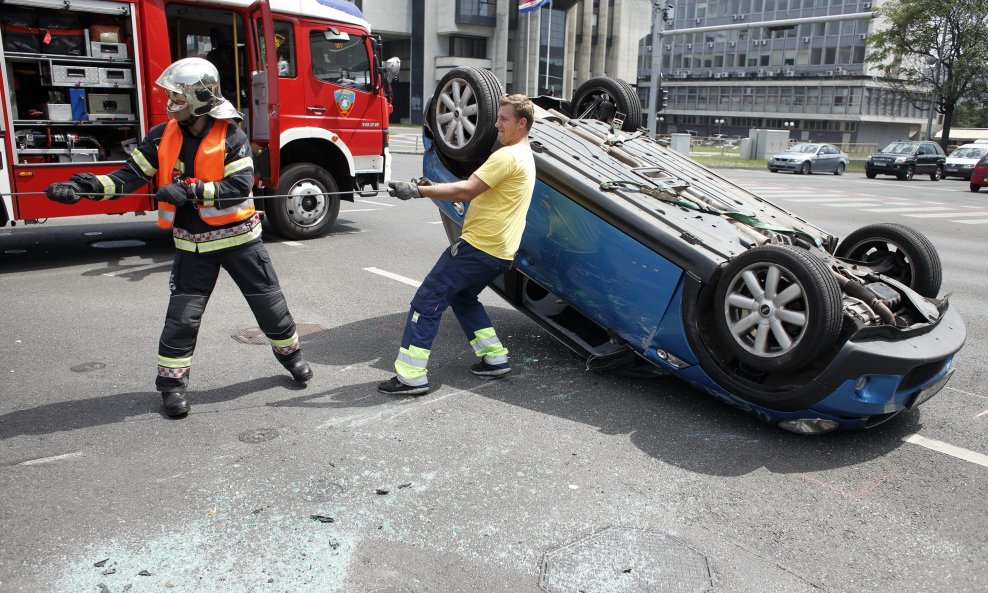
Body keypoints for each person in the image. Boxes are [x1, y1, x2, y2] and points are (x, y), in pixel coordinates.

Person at [45, 57, 312, 418]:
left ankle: (292, 359)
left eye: (179, 96)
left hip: (241, 243)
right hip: (194, 247)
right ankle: (171, 387)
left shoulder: (232, 135)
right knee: (181, 321)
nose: (172, 102)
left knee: (271, 310)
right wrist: (85, 187)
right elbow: (129, 176)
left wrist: (189, 192)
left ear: (200, 97)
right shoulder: (160, 135)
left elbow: (238, 188)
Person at [379, 94, 536, 395]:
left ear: (522, 123)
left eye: (504, 119)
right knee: (463, 298)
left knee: (427, 300)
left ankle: (410, 375)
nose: (497, 124)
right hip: (500, 252)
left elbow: (466, 190)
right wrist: (431, 186)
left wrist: (417, 191)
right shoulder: (525, 156)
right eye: (498, 117)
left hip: (478, 248)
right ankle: (495, 358)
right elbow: (479, 188)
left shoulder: (507, 156)